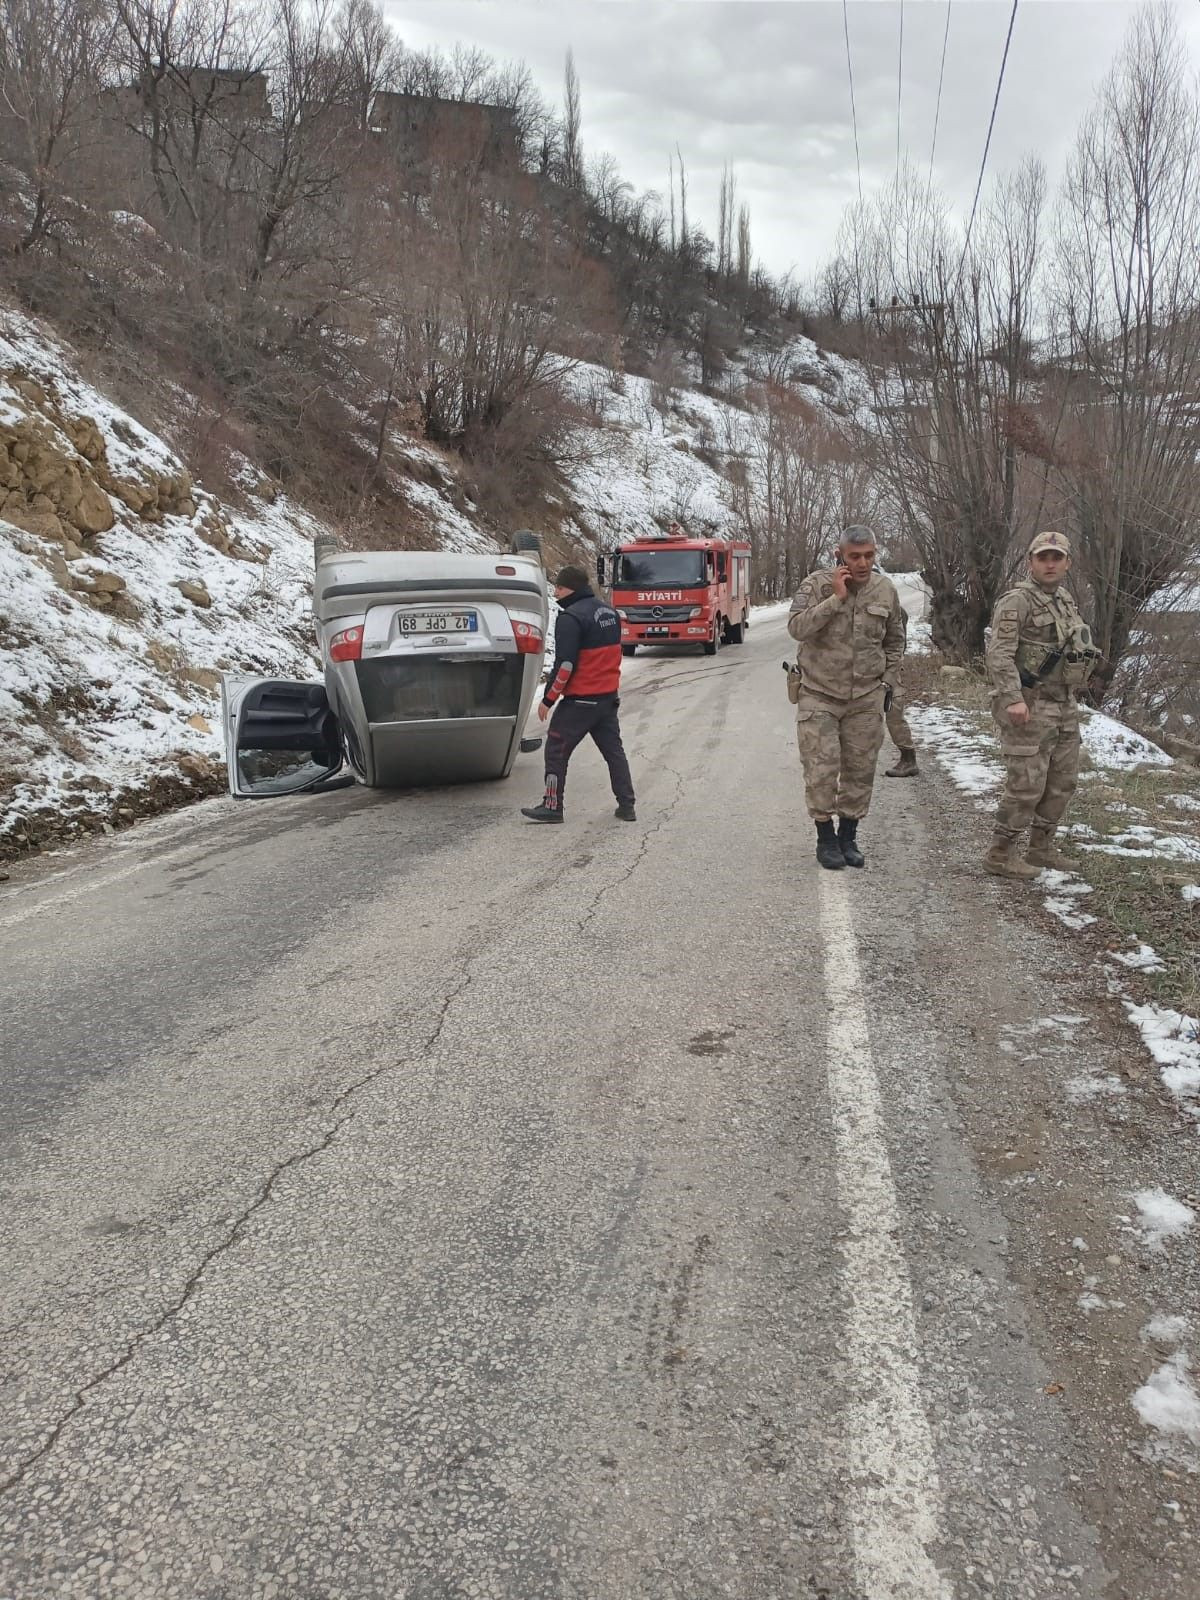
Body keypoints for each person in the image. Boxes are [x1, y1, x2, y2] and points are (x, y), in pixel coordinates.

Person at [788, 525, 906, 870]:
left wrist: (887, 680)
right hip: (819, 694)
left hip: (866, 697)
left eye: (869, 555)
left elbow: (895, 640)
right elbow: (797, 628)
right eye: (855, 556)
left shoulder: (885, 590)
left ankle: (848, 836)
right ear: (839, 555)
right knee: (821, 769)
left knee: (860, 769)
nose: (863, 563)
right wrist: (834, 599)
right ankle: (825, 837)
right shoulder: (816, 585)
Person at [983, 531, 1099, 879]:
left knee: (1063, 781)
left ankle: (1041, 847)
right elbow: (999, 654)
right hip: (1030, 705)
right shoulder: (1017, 601)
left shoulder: (1064, 599)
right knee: (1026, 784)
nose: (1050, 563)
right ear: (1031, 561)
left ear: (1067, 563)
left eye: (1057, 557)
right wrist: (1013, 698)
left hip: (1063, 704)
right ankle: (1000, 854)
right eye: (1043, 557)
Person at [521, 563, 637, 825]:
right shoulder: (610, 613)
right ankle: (627, 805)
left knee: (555, 751)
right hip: (608, 697)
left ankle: (552, 806)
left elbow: (565, 666)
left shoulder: (570, 618)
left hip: (580, 701)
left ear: (570, 588)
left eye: (559, 588)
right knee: (613, 752)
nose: (556, 593)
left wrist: (548, 699)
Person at [884, 608, 918, 778]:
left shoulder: (894, 608)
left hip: (887, 668)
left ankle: (908, 759)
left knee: (894, 712)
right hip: (860, 669)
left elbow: (898, 644)